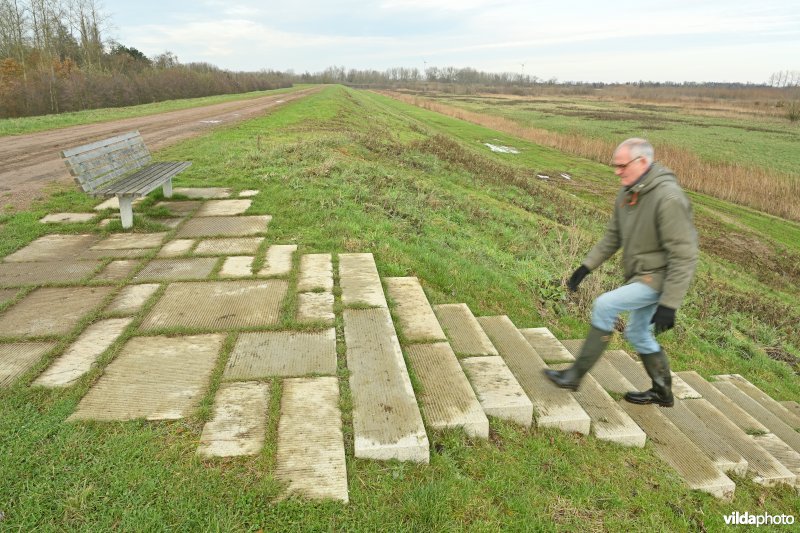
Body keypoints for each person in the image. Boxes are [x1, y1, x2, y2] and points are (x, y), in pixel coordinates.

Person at [544, 138, 698, 407]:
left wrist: (669, 304)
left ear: (642, 162)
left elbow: (684, 255)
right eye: (615, 165)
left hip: (660, 277)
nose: (617, 171)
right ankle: (662, 391)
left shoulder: (668, 198)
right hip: (641, 274)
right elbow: (613, 236)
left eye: (622, 166)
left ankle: (574, 376)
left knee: (605, 305)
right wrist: (586, 266)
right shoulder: (628, 193)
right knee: (638, 334)